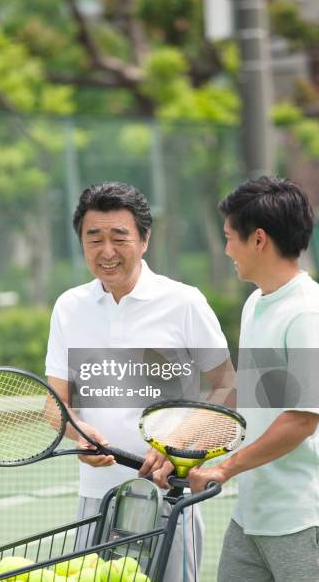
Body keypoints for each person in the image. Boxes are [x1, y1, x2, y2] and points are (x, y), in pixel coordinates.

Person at [45, 182, 235, 582]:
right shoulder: (68, 308)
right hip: (97, 498)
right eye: (93, 238)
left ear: (145, 240)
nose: (106, 251)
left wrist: (183, 446)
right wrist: (78, 433)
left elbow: (227, 387)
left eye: (119, 237)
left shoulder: (183, 302)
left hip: (171, 497)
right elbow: (55, 402)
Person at [186, 176, 319, 582]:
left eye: (230, 237)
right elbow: (249, 395)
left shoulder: (306, 313)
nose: (226, 249)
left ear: (258, 239)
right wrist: (186, 446)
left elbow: (302, 418)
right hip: (250, 518)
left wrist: (225, 470)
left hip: (302, 519)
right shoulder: (256, 303)